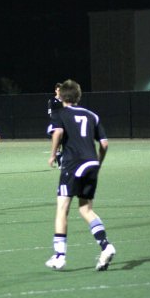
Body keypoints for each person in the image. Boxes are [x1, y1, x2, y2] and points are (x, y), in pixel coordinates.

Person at [45, 79, 115, 271]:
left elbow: (57, 133)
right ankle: (105, 246)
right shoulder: (92, 115)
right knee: (85, 209)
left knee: (62, 209)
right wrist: (98, 163)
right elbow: (105, 144)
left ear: (62, 96)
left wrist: (52, 155)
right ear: (78, 95)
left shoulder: (60, 114)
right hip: (91, 164)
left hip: (73, 164)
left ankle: (59, 256)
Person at [47, 82, 63, 168]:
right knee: (58, 145)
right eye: (58, 90)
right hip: (57, 125)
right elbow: (50, 114)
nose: (60, 91)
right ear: (55, 91)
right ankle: (60, 163)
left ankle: (59, 158)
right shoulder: (52, 101)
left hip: (65, 125)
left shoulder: (65, 100)